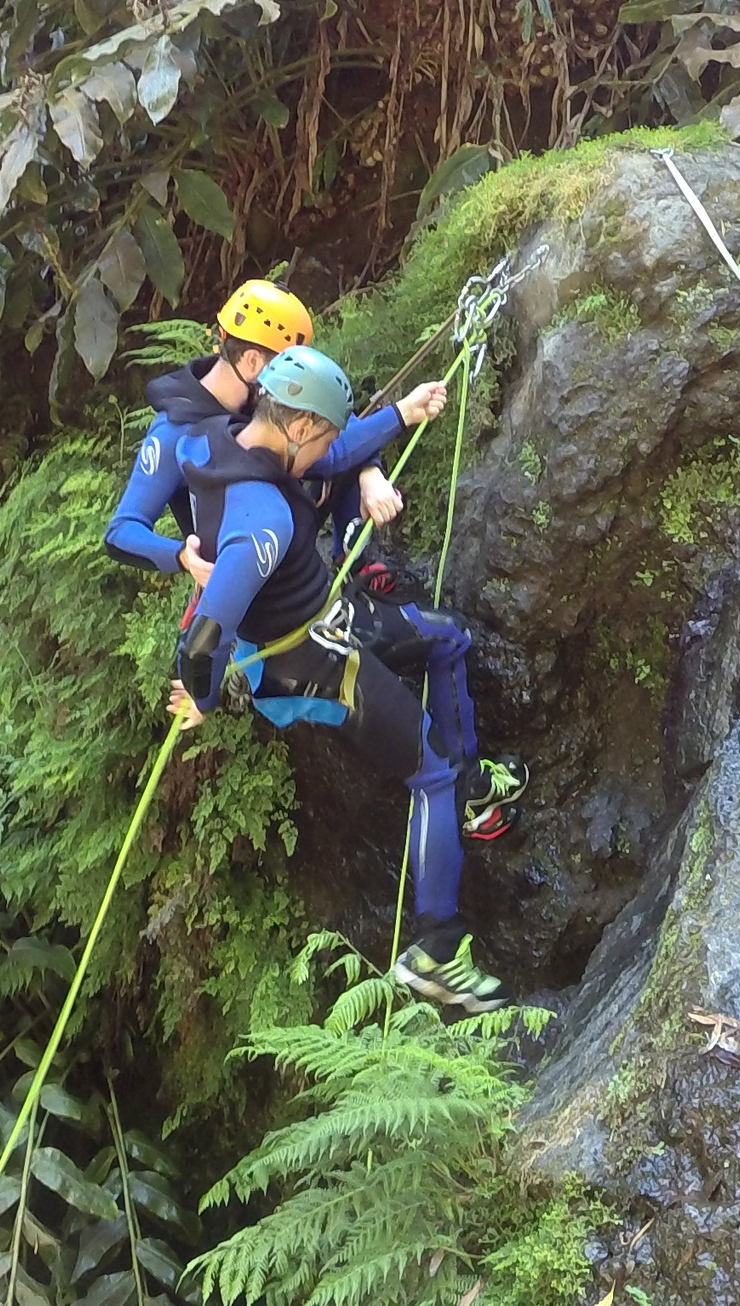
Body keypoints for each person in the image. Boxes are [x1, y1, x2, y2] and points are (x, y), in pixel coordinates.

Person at [169, 345, 517, 1010]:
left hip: (330, 618)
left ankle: (470, 794)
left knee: (447, 639)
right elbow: (205, 637)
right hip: (309, 666)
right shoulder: (263, 520)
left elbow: (328, 458)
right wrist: (207, 694)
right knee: (428, 772)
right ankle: (437, 951)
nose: (327, 448)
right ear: (297, 425)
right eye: (322, 431)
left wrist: (400, 415)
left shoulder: (230, 440)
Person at [103, 276, 417, 581]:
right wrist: (181, 556)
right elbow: (122, 531)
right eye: (285, 363)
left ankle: (353, 564)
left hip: (289, 537)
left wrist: (369, 473)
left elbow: (334, 427)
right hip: (245, 576)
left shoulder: (259, 393)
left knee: (331, 447)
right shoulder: (174, 431)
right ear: (253, 361)